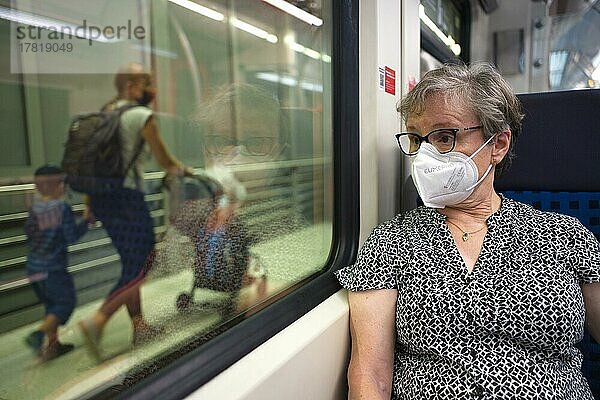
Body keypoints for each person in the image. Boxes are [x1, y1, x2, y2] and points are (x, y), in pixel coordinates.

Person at [335, 62, 600, 399]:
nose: (426, 154)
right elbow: (370, 374)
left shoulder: (565, 235)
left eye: (445, 136)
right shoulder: (391, 241)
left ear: (498, 144)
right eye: (417, 139)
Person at [79, 63, 192, 359]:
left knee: (132, 262)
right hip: (127, 199)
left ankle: (139, 326)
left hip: (102, 199)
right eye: (147, 83)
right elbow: (166, 160)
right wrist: (185, 171)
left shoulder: (104, 115)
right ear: (131, 86)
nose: (152, 88)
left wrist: (89, 203)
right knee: (145, 260)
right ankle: (98, 320)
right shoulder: (142, 116)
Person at [24, 165, 92, 361]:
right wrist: (86, 221)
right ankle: (38, 335)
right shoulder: (62, 208)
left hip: (33, 268)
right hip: (53, 268)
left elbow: (29, 232)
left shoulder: (34, 208)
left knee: (50, 305)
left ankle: (53, 344)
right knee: (65, 302)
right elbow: (71, 236)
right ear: (57, 186)